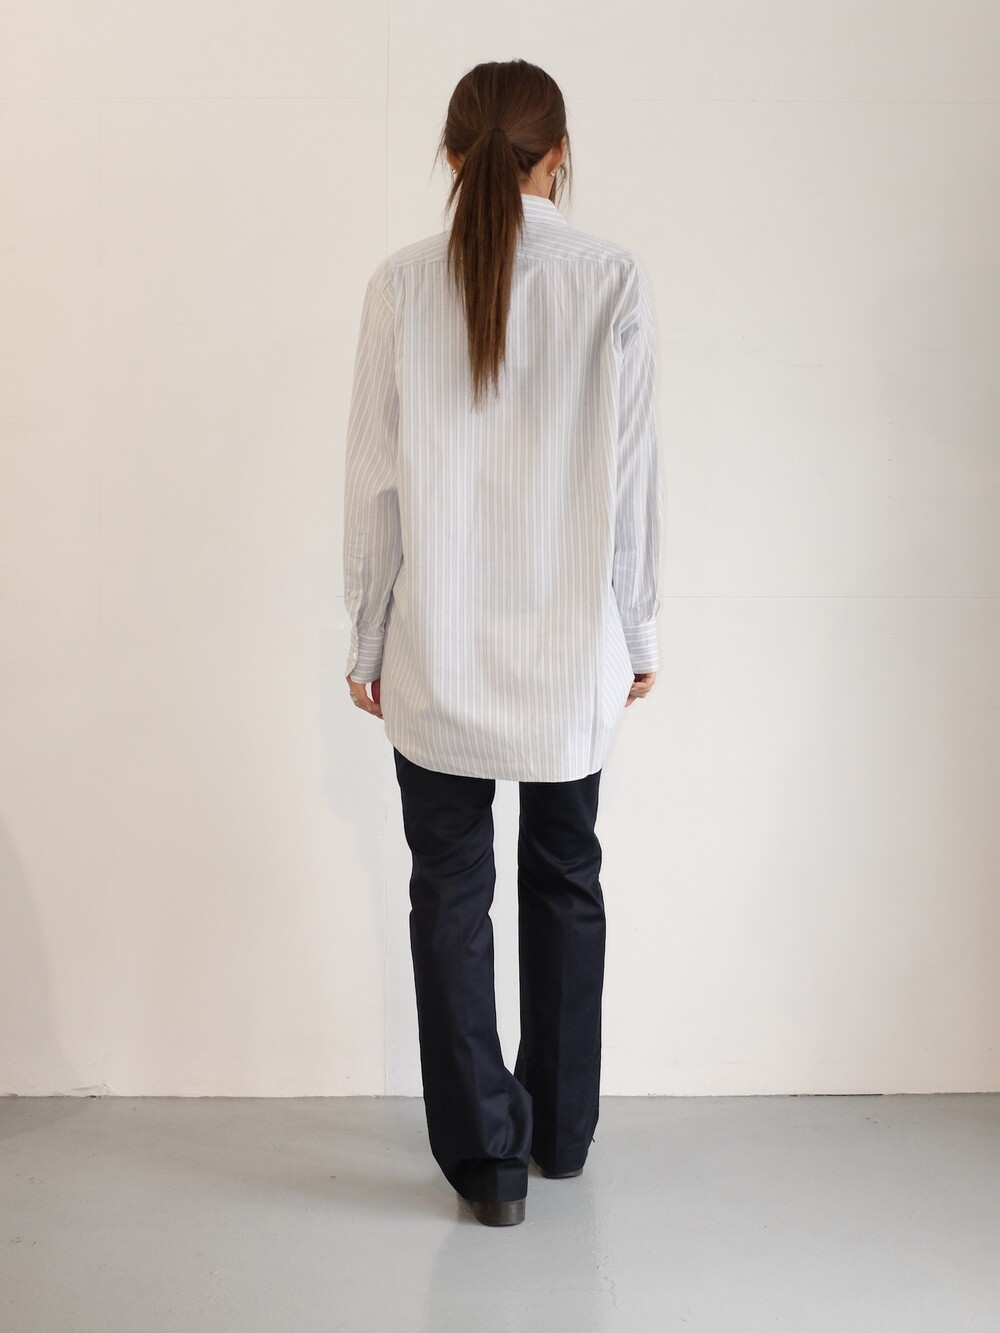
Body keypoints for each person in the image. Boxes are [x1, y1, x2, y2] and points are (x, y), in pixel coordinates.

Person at [342, 58, 661, 1226]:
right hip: (570, 647)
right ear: (557, 154)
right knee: (566, 875)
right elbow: (630, 480)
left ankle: (490, 1163)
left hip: (440, 644)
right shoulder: (610, 279)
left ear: (449, 154)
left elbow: (373, 483)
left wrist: (368, 633)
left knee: (449, 890)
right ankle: (561, 1133)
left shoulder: (399, 283)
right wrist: (638, 622)